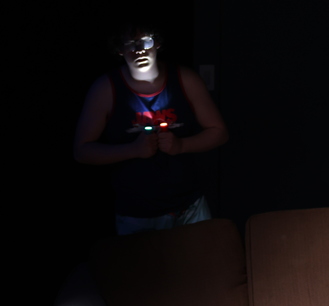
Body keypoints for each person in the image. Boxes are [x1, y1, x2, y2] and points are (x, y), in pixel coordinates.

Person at [74, 23, 228, 235]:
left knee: (203, 265)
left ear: (157, 43)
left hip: (191, 207)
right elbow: (82, 151)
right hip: (137, 216)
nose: (140, 50)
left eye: (146, 41)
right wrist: (132, 150)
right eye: (130, 44)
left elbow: (219, 132)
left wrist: (181, 145)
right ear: (119, 49)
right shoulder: (105, 89)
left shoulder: (185, 79)